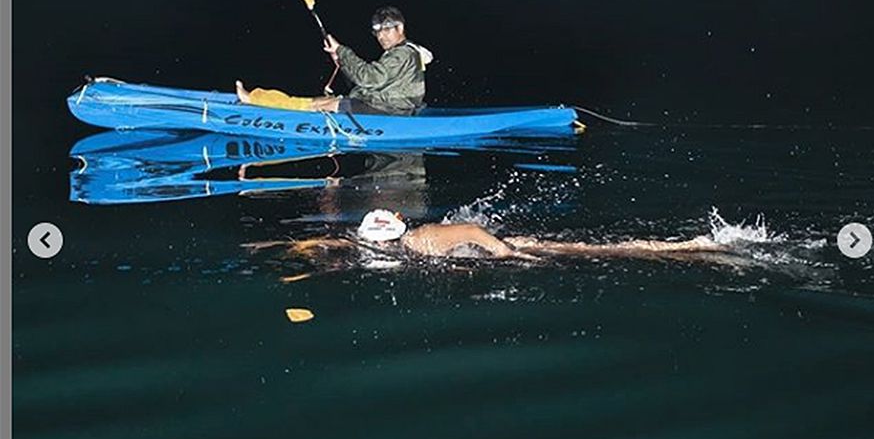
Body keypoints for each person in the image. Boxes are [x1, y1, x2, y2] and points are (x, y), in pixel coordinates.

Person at [246, 209, 731, 265]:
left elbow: (475, 230)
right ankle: (688, 249)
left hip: (510, 245)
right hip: (499, 247)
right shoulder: (392, 242)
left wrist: (513, 255)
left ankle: (692, 248)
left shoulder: (424, 240)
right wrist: (279, 246)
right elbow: (339, 244)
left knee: (600, 250)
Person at [236, 6, 433, 116]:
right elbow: (366, 82)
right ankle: (256, 98)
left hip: (393, 112)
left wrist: (341, 50)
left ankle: (255, 101)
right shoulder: (400, 53)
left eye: (387, 30)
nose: (381, 36)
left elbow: (369, 78)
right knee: (319, 101)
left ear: (400, 28)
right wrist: (341, 60)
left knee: (324, 105)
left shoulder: (403, 54)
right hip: (384, 105)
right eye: (378, 32)